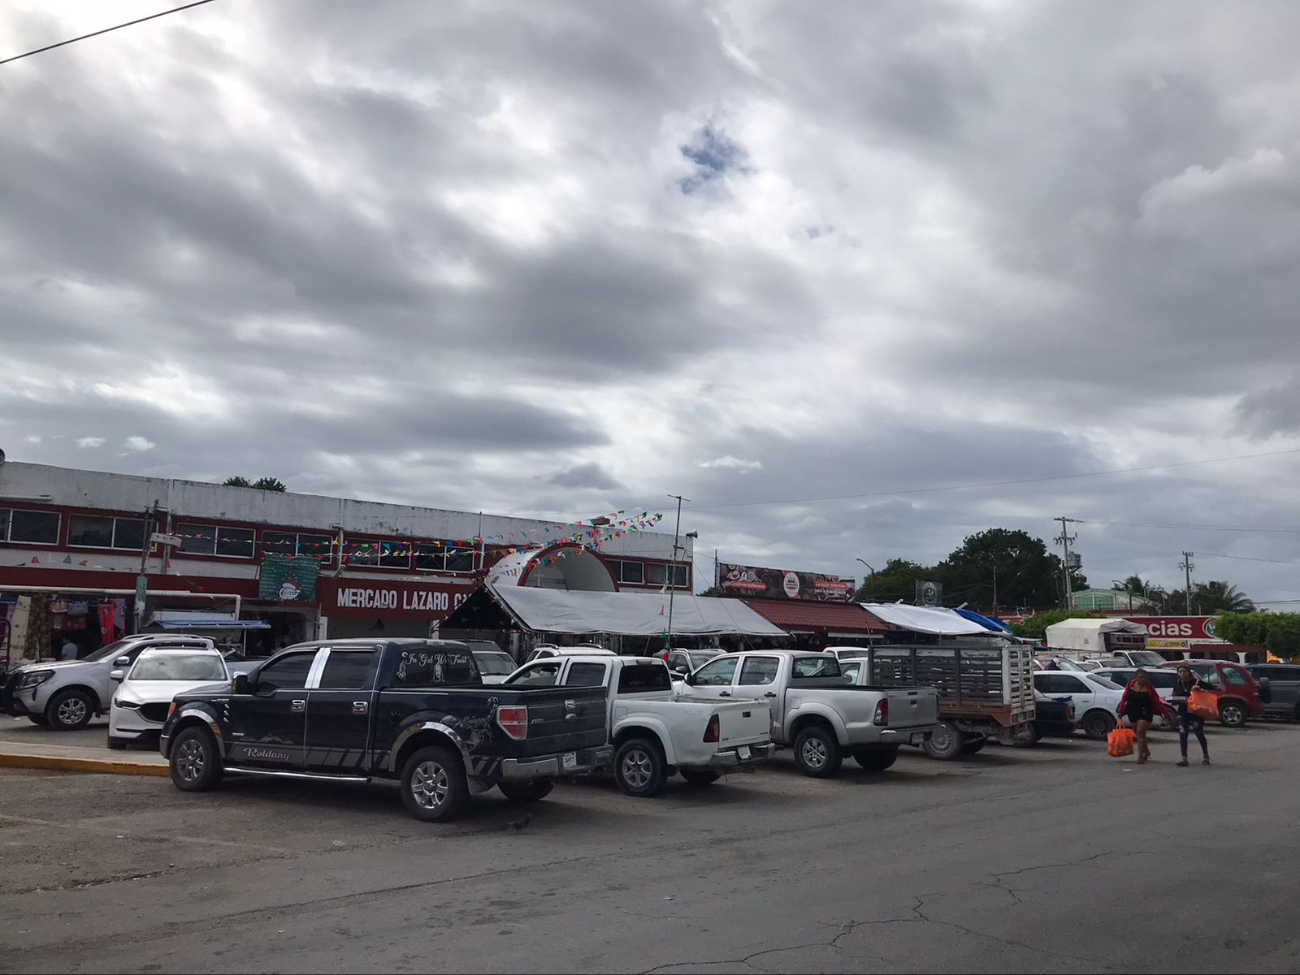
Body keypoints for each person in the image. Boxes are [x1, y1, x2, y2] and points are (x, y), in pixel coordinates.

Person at [1116, 669, 1173, 764]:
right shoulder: (1130, 685)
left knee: (1140, 731)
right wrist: (1120, 711)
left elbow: (1157, 701)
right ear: (1136, 677)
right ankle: (1146, 752)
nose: (1142, 679)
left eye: (1145, 677)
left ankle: (1140, 756)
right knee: (1139, 735)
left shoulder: (1149, 688)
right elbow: (1124, 698)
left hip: (1146, 711)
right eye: (1140, 677)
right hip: (1132, 711)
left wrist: (1166, 715)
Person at [1169, 665, 1211, 767]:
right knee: (1183, 733)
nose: (1182, 674)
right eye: (1180, 672)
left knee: (1199, 732)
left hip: (1195, 711)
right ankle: (1184, 758)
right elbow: (1175, 693)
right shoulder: (1178, 682)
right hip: (1183, 710)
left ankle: (1205, 755)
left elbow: (1212, 687)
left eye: (1184, 672)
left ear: (1189, 673)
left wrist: (1199, 689)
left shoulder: (1196, 682)